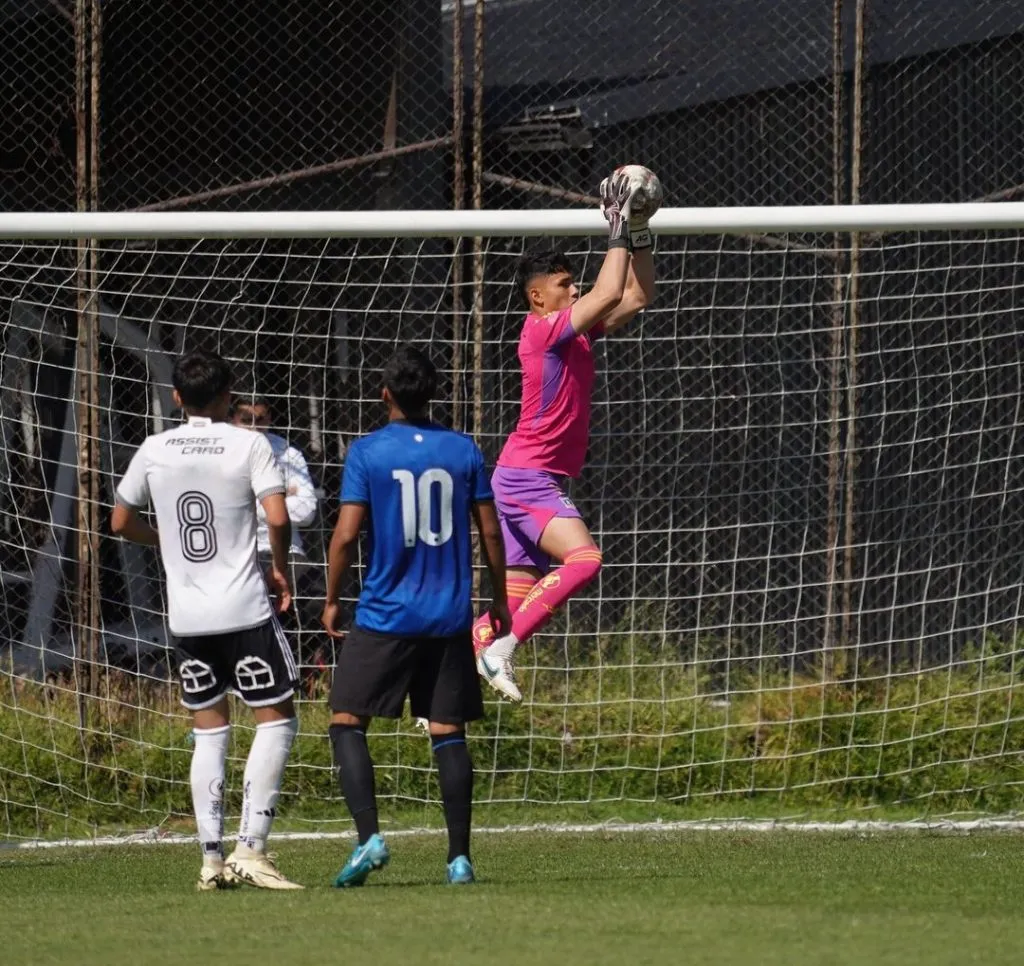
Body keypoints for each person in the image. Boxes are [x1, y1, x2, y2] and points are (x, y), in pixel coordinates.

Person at [111, 349, 303, 891]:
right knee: (277, 719)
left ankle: (210, 859)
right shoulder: (249, 443)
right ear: (228, 398)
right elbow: (278, 515)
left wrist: (164, 540)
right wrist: (280, 568)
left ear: (176, 397)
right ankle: (253, 848)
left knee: (209, 732)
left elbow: (120, 520)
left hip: (188, 616)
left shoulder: (154, 448)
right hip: (243, 608)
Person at [321, 345, 510, 887]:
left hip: (385, 613)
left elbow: (346, 535)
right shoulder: (463, 450)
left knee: (346, 720)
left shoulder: (368, 452)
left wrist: (333, 599)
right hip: (449, 615)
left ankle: (369, 839)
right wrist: (499, 597)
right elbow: (490, 530)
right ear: (435, 394)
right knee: (448, 731)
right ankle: (459, 859)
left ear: (385, 395)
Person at [472, 169, 658, 702]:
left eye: (573, 283)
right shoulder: (541, 331)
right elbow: (604, 294)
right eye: (563, 285)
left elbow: (638, 294)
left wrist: (638, 228)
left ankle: (461, 665)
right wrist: (617, 225)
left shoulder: (572, 333)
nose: (573, 289)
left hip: (524, 476)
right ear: (537, 298)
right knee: (585, 560)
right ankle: (500, 647)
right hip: (525, 479)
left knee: (513, 598)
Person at [231, 396, 319, 570]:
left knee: (315, 590)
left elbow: (306, 512)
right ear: (232, 420)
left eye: (261, 419)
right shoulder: (224, 453)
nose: (255, 427)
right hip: (238, 551)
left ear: (270, 417)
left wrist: (249, 502)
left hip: (287, 549)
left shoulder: (289, 454)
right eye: (247, 420)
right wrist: (279, 498)